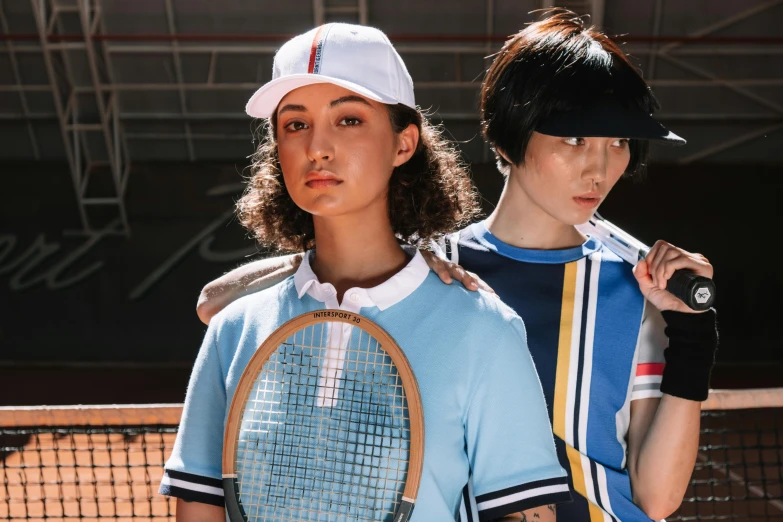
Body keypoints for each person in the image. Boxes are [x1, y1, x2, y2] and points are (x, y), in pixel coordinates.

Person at [195, 12, 720, 522]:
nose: (599, 168)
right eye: (575, 139)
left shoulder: (638, 296)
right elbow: (214, 303)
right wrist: (381, 259)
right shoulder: (429, 272)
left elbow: (656, 498)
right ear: (507, 139)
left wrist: (693, 332)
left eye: (618, 143)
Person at [161, 23, 571, 522]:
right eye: (295, 124)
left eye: (349, 120)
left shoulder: (484, 330)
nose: (318, 147)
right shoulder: (234, 329)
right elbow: (200, 508)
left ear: (404, 145)